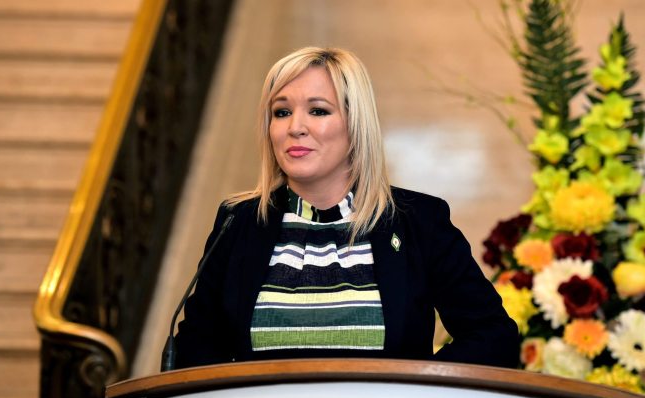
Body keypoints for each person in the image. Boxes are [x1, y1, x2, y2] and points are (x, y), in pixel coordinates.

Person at [174, 46, 519, 369]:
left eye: (318, 110)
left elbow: (492, 336)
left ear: (356, 124)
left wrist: (415, 394)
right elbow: (195, 350)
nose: (295, 127)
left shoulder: (419, 221)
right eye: (281, 112)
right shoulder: (238, 222)